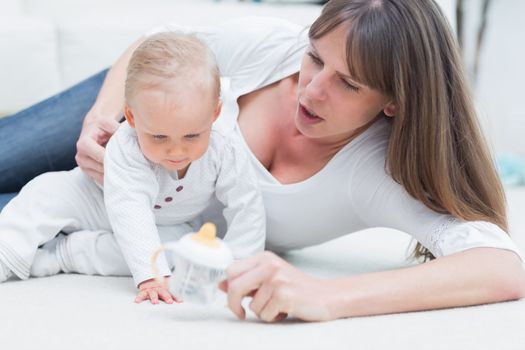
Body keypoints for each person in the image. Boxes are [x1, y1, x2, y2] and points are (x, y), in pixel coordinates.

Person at [1, 0, 524, 321]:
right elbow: (158, 44)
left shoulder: (376, 174)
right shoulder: (270, 48)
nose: (311, 90)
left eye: (348, 83)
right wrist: (103, 115)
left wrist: (328, 296)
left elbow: (502, 268)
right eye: (316, 57)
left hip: (158, 211)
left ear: (393, 102)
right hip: (133, 114)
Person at [0, 32, 266, 304]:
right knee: (44, 193)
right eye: (159, 137)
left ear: (214, 114)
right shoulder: (126, 145)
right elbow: (131, 208)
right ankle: (7, 250)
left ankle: (65, 253)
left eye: (191, 136)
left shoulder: (226, 149)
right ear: (132, 117)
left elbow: (247, 205)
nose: (176, 151)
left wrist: (243, 264)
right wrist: (152, 275)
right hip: (95, 200)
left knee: (176, 250)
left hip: (168, 222)